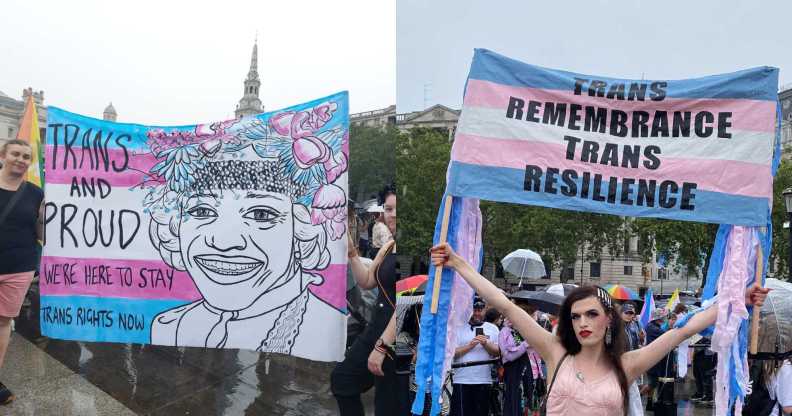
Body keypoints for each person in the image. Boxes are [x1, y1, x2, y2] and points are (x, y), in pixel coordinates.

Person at [429, 242, 769, 416]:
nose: (583, 323)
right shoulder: (554, 351)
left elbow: (680, 331)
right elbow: (503, 303)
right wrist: (458, 262)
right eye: (575, 316)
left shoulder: (627, 364)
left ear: (609, 319)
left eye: (591, 314)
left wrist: (737, 300)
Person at [144, 110, 348, 360]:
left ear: (301, 230)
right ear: (175, 227)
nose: (224, 242)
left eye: (261, 214)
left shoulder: (321, 329)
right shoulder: (168, 325)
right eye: (202, 211)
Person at [332, 187, 406, 416]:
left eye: (397, 209)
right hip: (375, 327)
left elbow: (407, 302)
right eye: (389, 208)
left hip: (396, 336)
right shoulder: (388, 247)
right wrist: (352, 253)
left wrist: (382, 346)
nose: (392, 214)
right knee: (342, 380)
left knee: (386, 406)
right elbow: (366, 282)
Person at [0, 139, 45, 405]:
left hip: (19, 267)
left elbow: (41, 234)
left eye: (26, 156)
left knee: (3, 322)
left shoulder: (36, 193)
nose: (20, 159)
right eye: (15, 154)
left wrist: (47, 219)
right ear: (3, 155)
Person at [450, 298, 500, 416]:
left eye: (480, 310)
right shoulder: (458, 327)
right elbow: (452, 353)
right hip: (462, 380)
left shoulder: (492, 328)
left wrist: (485, 344)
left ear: (485, 310)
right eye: (474, 310)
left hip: (483, 379)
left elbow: (498, 352)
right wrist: (470, 345)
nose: (477, 313)